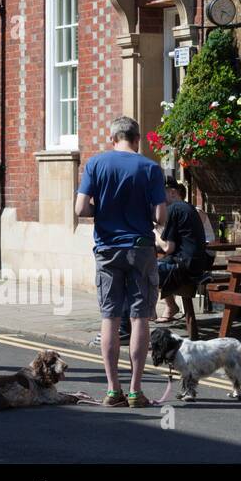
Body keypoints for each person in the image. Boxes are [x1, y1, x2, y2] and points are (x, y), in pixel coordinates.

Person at [74, 116, 168, 408]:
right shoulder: (150, 168)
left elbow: (80, 208)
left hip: (106, 250)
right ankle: (135, 391)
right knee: (140, 317)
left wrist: (101, 209)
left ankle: (113, 390)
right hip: (140, 249)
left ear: (112, 138)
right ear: (137, 139)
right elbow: (160, 217)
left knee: (110, 318)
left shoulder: (96, 164)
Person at [155, 181, 212, 322]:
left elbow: (168, 248)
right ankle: (166, 307)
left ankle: (146, 313)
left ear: (172, 193)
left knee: (143, 270)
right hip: (197, 265)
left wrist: (153, 232)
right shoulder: (189, 208)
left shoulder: (173, 209)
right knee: (155, 265)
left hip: (185, 268)